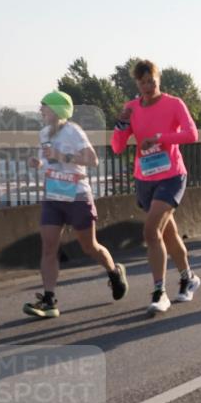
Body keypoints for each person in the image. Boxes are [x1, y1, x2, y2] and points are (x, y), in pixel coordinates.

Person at [24, 91, 129, 318]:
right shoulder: (43, 133)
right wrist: (39, 162)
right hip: (53, 195)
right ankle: (49, 300)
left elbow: (92, 160)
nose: (41, 110)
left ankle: (113, 272)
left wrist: (63, 156)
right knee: (49, 247)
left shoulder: (73, 131)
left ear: (57, 109)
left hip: (77, 194)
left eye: (44, 106)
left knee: (89, 246)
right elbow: (49, 160)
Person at [111, 59, 200, 316]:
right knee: (167, 235)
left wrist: (162, 139)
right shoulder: (131, 108)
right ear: (136, 84)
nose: (148, 87)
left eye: (151, 81)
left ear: (158, 79)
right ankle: (188, 278)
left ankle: (159, 292)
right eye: (142, 83)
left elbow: (192, 134)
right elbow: (117, 147)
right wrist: (121, 124)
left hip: (171, 175)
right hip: (145, 178)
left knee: (151, 232)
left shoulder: (174, 104)